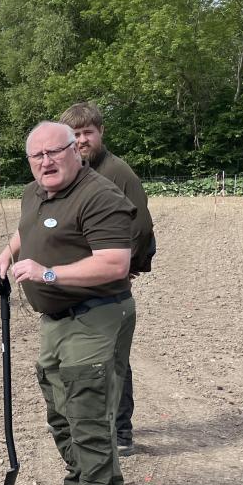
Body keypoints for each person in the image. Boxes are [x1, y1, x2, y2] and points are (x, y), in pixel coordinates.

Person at [0, 120, 136, 485]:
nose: (46, 161)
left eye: (55, 152)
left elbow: (114, 264)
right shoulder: (35, 191)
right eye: (38, 156)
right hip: (56, 318)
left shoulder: (100, 197)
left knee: (87, 415)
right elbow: (27, 229)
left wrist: (48, 273)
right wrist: (4, 255)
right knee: (60, 411)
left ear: (76, 150)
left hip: (96, 314)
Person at [61, 101, 156, 457]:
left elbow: (141, 225)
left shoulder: (117, 173)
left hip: (108, 282)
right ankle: (97, 423)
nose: (81, 140)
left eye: (88, 132)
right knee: (89, 356)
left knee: (114, 359)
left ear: (100, 133)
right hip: (83, 281)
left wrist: (125, 262)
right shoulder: (75, 171)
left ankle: (122, 431)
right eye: (75, 134)